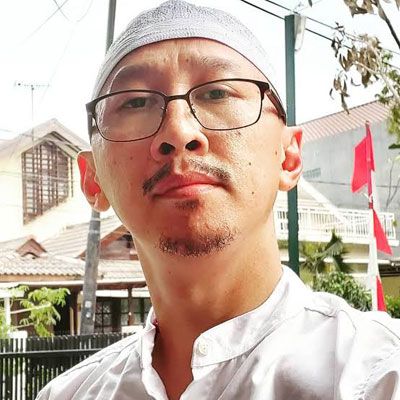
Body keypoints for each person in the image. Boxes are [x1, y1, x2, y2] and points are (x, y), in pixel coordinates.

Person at [37, 1, 400, 399]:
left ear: (289, 156)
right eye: (136, 102)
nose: (178, 132)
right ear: (92, 180)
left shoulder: (379, 375)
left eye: (217, 92)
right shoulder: (68, 395)